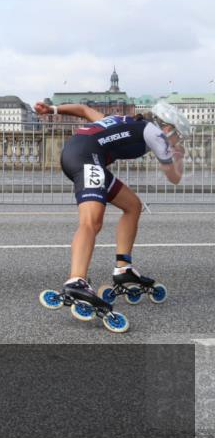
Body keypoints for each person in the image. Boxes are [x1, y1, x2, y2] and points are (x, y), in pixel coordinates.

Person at [34, 100, 191, 307]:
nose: (177, 140)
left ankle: (123, 266)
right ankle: (76, 280)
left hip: (81, 154)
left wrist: (52, 110)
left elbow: (83, 110)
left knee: (132, 206)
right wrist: (177, 156)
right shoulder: (156, 133)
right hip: (87, 159)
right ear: (168, 128)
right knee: (91, 222)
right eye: (178, 135)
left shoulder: (121, 121)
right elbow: (174, 177)